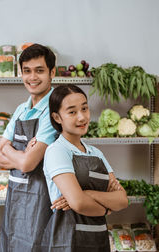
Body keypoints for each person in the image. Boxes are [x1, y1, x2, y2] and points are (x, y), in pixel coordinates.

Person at [41, 84, 128, 252]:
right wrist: (108, 207)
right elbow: (79, 203)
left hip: (98, 239)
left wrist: (89, 194)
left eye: (85, 109)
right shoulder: (57, 151)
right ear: (57, 117)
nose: (82, 117)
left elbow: (123, 200)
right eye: (72, 112)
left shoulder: (96, 153)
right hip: (67, 241)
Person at [0, 43, 58, 252]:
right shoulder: (22, 109)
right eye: (27, 71)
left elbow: (29, 164)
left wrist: (12, 152)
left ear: (52, 72)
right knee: (12, 243)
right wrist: (21, 154)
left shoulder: (55, 109)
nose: (32, 78)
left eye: (39, 70)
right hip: (16, 194)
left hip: (43, 196)